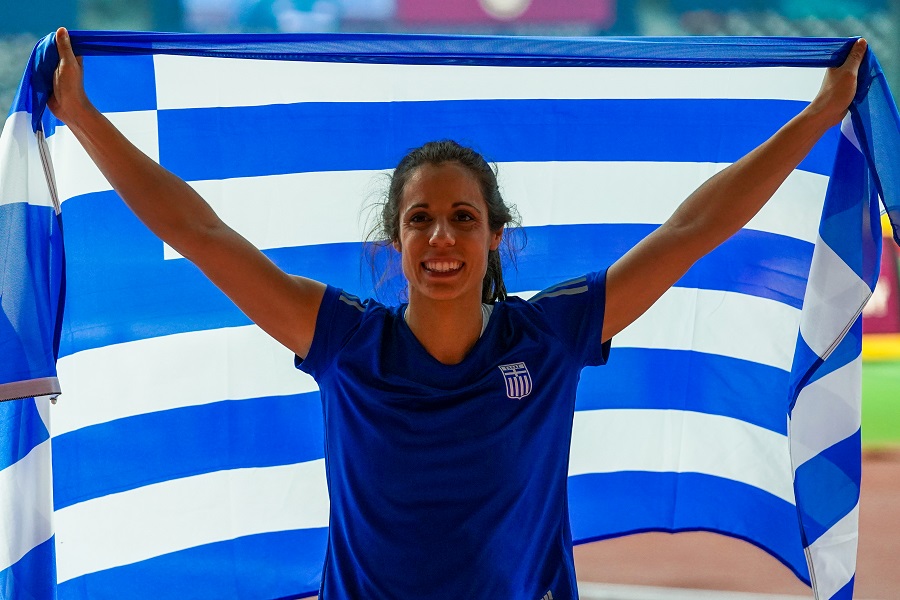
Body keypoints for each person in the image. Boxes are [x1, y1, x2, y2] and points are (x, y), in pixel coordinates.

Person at [48, 27, 867, 599]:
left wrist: (819, 115)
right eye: (421, 219)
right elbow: (200, 234)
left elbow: (693, 230)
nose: (442, 237)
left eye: (463, 218)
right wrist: (82, 116)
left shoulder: (550, 336)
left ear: (495, 236)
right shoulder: (342, 340)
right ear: (395, 241)